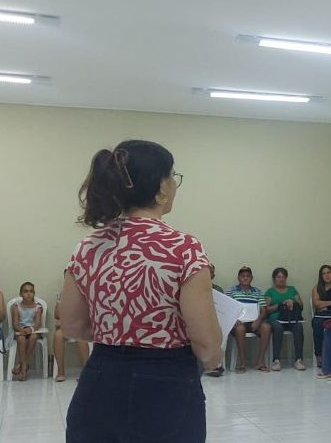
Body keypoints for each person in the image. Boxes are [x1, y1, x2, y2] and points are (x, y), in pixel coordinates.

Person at [61, 140, 222, 443]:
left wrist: (120, 335)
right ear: (161, 188)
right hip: (166, 382)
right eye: (174, 177)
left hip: (100, 378)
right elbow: (205, 341)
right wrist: (213, 357)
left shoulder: (88, 246)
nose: (175, 185)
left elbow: (71, 324)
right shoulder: (184, 248)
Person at [226, 266, 271, 373]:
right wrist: (234, 318)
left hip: (254, 322)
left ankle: (260, 361)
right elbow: (227, 308)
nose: (245, 278)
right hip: (238, 322)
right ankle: (242, 362)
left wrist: (258, 321)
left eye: (248, 276)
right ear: (238, 278)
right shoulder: (231, 291)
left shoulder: (257, 292)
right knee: (240, 329)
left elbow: (264, 310)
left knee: (266, 327)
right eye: (243, 276)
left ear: (251, 278)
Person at [264, 267, 305, 371]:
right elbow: (266, 309)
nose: (281, 279)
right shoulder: (270, 292)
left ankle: (298, 359)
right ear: (274, 279)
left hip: (291, 318)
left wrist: (293, 303)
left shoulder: (292, 289)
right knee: (278, 327)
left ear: (286, 278)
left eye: (283, 277)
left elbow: (301, 305)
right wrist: (279, 305)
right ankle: (276, 360)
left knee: (299, 327)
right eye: (278, 277)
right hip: (276, 319)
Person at [53, 296, 91, 382]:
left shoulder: (84, 293)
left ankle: (85, 371)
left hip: (80, 326)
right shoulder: (64, 293)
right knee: (58, 335)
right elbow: (57, 315)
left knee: (81, 338)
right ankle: (60, 371)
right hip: (67, 326)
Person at [10, 282, 42, 381]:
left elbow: (37, 324)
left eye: (31, 291)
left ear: (34, 293)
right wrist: (22, 330)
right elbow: (15, 324)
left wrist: (30, 330)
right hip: (20, 331)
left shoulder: (38, 307)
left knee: (33, 337)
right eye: (25, 291)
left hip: (33, 331)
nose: (28, 294)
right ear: (20, 294)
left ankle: (22, 364)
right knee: (21, 339)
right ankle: (24, 366)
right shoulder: (16, 307)